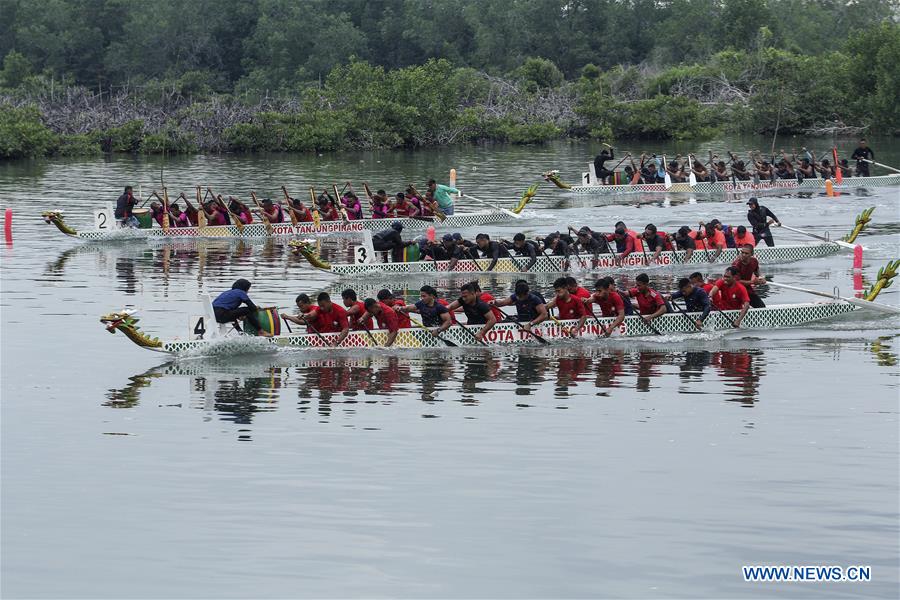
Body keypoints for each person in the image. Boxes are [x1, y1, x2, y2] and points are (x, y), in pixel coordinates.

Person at [285, 292, 350, 345]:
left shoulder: (340, 311)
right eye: (320, 306)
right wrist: (304, 316)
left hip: (338, 339)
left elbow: (346, 329)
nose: (321, 308)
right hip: (324, 337)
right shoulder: (320, 309)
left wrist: (336, 343)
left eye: (323, 306)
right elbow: (312, 314)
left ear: (329, 301)